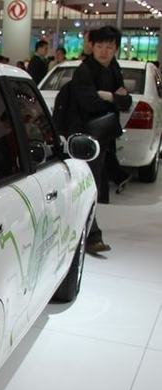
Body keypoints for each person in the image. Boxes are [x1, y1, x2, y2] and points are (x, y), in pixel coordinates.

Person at [69, 26, 131, 254]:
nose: (104, 51)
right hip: (83, 138)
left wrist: (108, 96)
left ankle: (86, 234)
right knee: (89, 185)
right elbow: (89, 103)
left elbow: (126, 101)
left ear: (116, 49)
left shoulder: (114, 69)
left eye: (109, 47)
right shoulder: (85, 71)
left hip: (102, 137)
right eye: (100, 46)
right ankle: (91, 236)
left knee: (92, 185)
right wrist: (114, 98)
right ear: (92, 47)